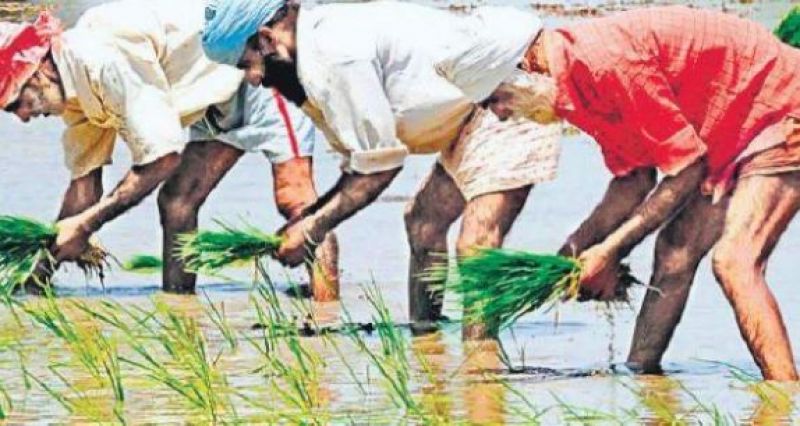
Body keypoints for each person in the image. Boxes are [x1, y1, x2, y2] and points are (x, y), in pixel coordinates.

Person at [202, 0, 561, 336]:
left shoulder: (334, 55)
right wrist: (309, 221)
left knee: (475, 245)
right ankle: (427, 343)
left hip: (508, 92)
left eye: (247, 65)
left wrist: (311, 227)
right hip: (463, 114)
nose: (253, 80)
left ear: (267, 38)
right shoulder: (314, 51)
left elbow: (378, 167)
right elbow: (363, 159)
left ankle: (481, 368)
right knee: (423, 222)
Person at [485, 5, 800, 380]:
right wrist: (572, 257)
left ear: (525, 68)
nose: (500, 114)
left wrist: (610, 251)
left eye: (494, 100)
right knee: (674, 253)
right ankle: (642, 380)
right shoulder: (574, 85)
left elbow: (687, 170)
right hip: (728, 133)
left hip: (781, 107)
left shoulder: (606, 63)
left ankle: (784, 403)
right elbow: (633, 181)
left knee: (735, 262)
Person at [0, 0, 338, 299]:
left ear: (38, 70)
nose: (25, 118)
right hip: (208, 93)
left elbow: (162, 159)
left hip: (257, 61)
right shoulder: (74, 98)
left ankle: (327, 317)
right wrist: (38, 274)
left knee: (295, 199)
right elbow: (84, 188)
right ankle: (179, 307)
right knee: (177, 202)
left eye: (18, 103)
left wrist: (86, 226)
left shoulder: (99, 60)